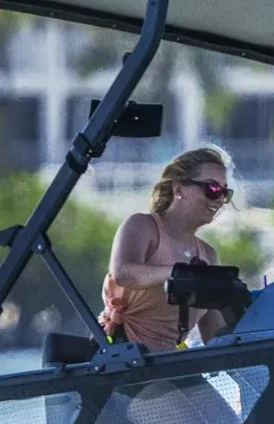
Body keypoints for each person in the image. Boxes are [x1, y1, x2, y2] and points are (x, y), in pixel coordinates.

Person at [98, 145, 236, 351]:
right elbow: (123, 273)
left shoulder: (208, 255)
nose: (219, 200)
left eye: (225, 193)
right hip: (120, 359)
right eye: (212, 188)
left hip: (168, 367)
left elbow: (215, 338)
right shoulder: (142, 226)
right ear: (178, 189)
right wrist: (180, 274)